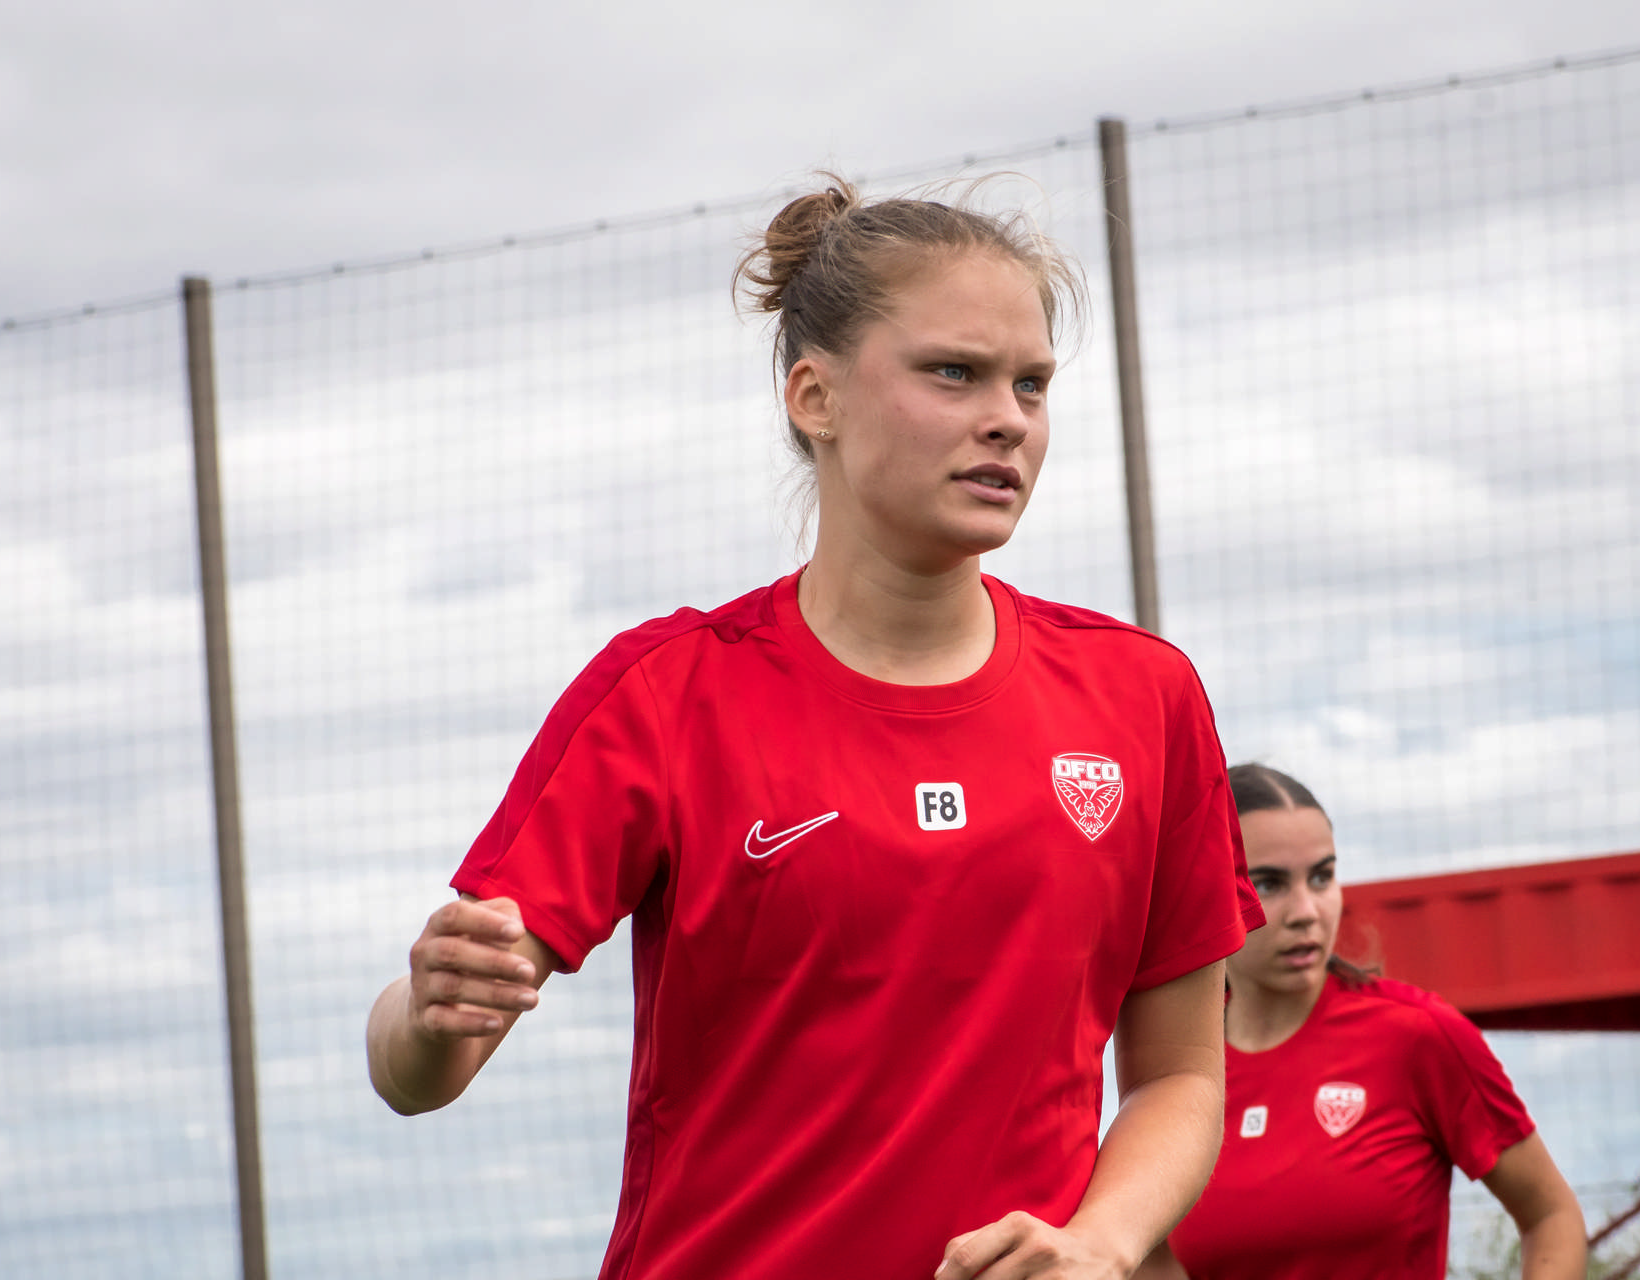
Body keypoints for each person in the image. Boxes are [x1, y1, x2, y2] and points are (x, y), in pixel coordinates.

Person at [366, 175, 1265, 1280]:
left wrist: (1101, 1242)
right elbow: (421, 1069)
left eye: (1031, 383)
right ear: (814, 397)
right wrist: (429, 1013)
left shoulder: (1143, 695)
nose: (1008, 418)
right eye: (954, 371)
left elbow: (1180, 1076)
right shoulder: (666, 694)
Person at [1137, 764, 1587, 1280]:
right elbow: (1153, 1260)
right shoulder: (1177, 1073)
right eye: (1268, 883)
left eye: (1322, 877)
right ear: (1206, 891)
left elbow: (1551, 1215)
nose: (1307, 911)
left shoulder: (1417, 1033)